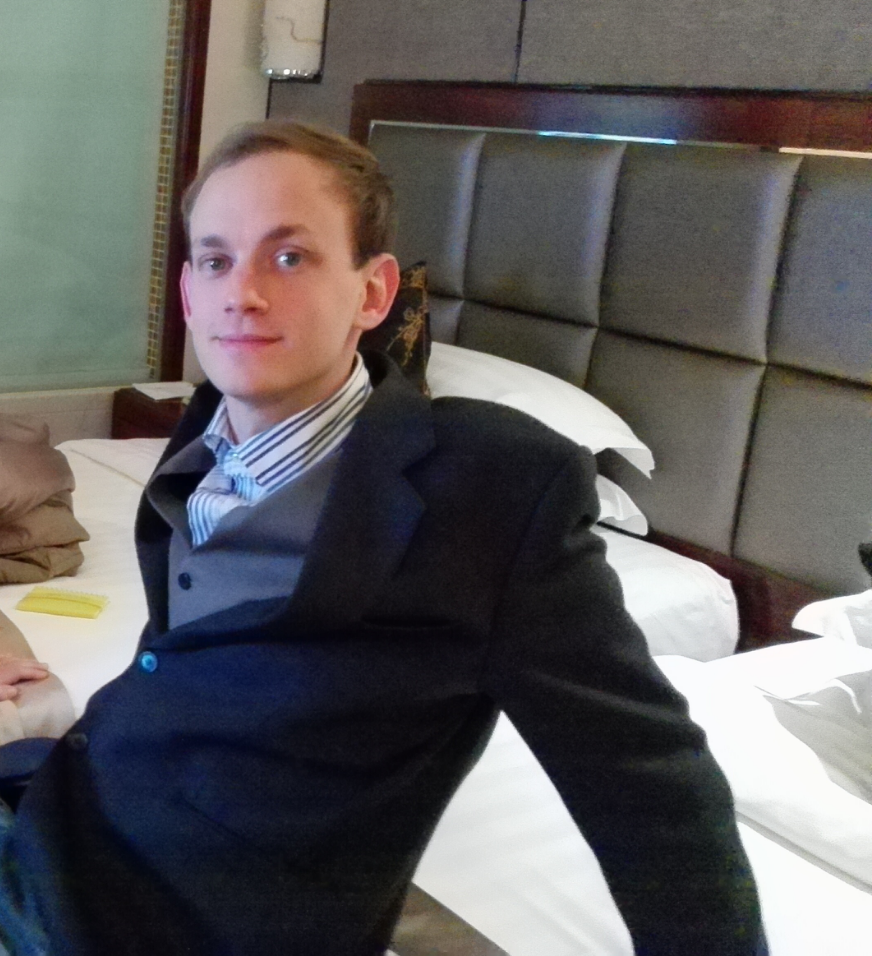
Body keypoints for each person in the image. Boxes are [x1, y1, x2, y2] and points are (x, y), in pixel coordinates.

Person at [0, 121, 767, 956]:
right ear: (189, 292)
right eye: (216, 261)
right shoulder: (205, 429)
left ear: (373, 293)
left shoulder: (490, 484)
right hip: (65, 823)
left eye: (289, 257)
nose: (242, 293)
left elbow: (645, 780)